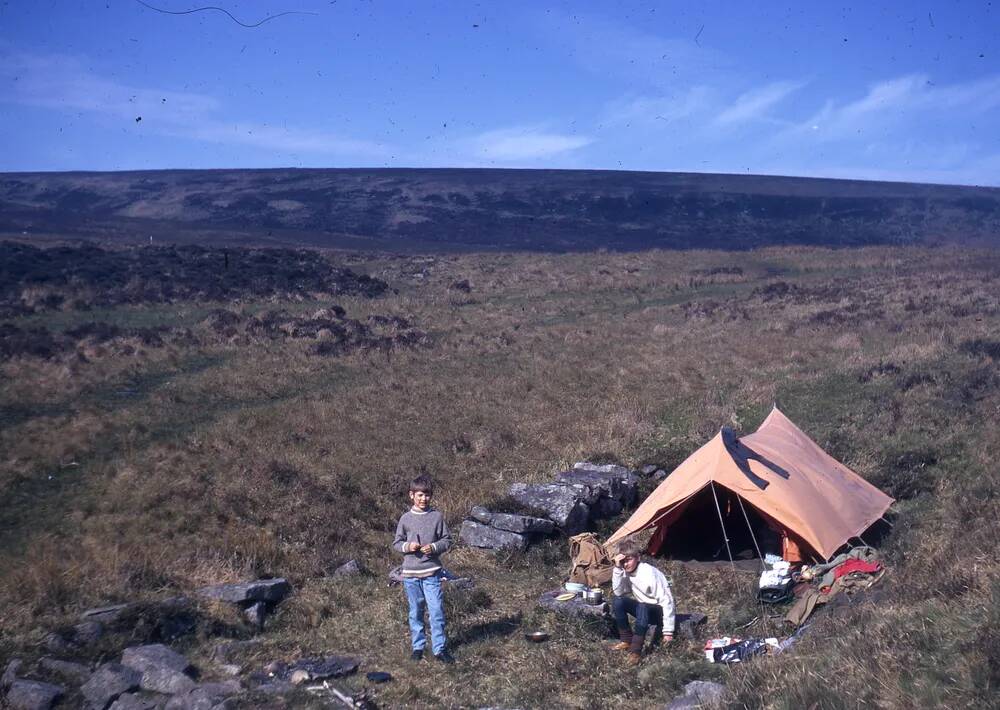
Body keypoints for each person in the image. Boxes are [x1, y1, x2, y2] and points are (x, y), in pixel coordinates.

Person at [392, 474, 455, 663]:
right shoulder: (405, 518)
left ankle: (439, 649)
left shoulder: (437, 517)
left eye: (427, 495)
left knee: (436, 610)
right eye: (419, 495)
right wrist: (407, 547)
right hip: (410, 574)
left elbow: (447, 540)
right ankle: (418, 647)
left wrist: (434, 547)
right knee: (416, 611)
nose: (423, 499)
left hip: (432, 573)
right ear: (411, 495)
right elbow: (396, 543)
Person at [611, 550, 676, 666]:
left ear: (638, 558)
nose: (625, 564)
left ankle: (635, 651)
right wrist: (617, 569)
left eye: (629, 560)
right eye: (623, 561)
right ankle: (626, 640)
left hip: (658, 611)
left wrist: (668, 632)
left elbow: (667, 601)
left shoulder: (648, 572)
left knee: (642, 606)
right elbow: (618, 592)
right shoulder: (625, 571)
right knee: (618, 600)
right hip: (643, 609)